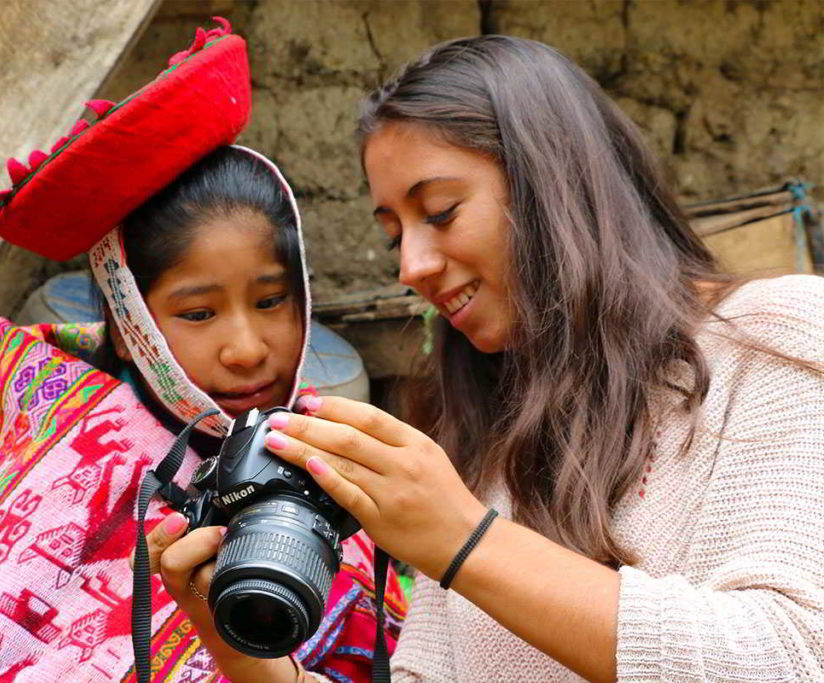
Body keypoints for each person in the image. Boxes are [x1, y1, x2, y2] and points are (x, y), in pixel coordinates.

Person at [260, 35, 824, 682]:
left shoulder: (777, 337)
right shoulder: (493, 432)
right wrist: (260, 664)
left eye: (440, 212)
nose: (411, 267)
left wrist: (465, 540)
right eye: (395, 238)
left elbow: (793, 656)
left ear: (551, 180)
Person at [0, 21, 404, 683]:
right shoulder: (72, 458)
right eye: (199, 312)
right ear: (128, 324)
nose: (247, 348)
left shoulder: (326, 454)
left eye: (271, 301)